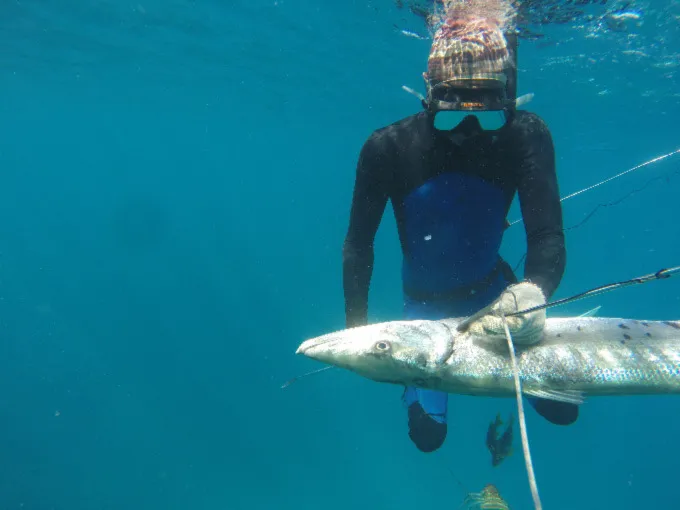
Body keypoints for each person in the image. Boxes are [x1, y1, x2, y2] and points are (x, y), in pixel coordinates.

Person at [341, 12, 576, 454]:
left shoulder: (524, 135)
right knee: (429, 438)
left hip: (500, 296)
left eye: (487, 117)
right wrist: (357, 332)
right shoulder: (387, 148)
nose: (468, 132)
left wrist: (534, 291)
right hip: (423, 309)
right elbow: (358, 244)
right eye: (451, 118)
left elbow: (547, 235)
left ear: (507, 98)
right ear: (428, 93)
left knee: (563, 411)